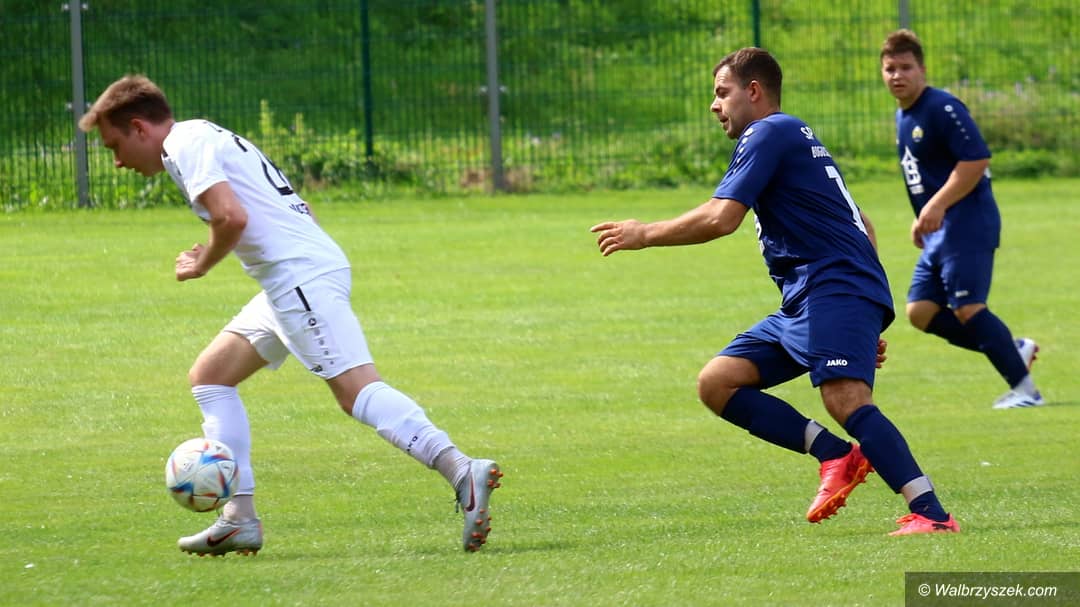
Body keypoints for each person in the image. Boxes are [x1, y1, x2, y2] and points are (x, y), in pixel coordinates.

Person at [78, 75, 502, 555]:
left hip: (298, 279)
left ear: (139, 127)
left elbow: (231, 217)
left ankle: (460, 469)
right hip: (294, 279)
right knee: (211, 377)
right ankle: (239, 519)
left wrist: (201, 263)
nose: (117, 160)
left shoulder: (183, 145)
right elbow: (294, 206)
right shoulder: (203, 134)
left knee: (356, 391)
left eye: (114, 146)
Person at [591, 48, 959, 535]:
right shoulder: (792, 134)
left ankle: (931, 513)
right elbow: (861, 221)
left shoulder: (767, 132)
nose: (714, 105)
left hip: (832, 288)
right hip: (813, 298)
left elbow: (721, 217)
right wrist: (862, 316)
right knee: (718, 382)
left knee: (845, 397)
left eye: (722, 93)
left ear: (754, 91)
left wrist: (644, 234)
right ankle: (836, 456)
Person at [880, 30, 1043, 410]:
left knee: (968, 308)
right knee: (921, 311)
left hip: (968, 222)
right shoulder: (904, 114)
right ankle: (1012, 350)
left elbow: (975, 160)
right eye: (890, 69)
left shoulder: (942, 107)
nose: (897, 75)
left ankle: (1026, 391)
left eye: (906, 67)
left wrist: (935, 206)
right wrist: (924, 216)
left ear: (923, 70)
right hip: (940, 230)